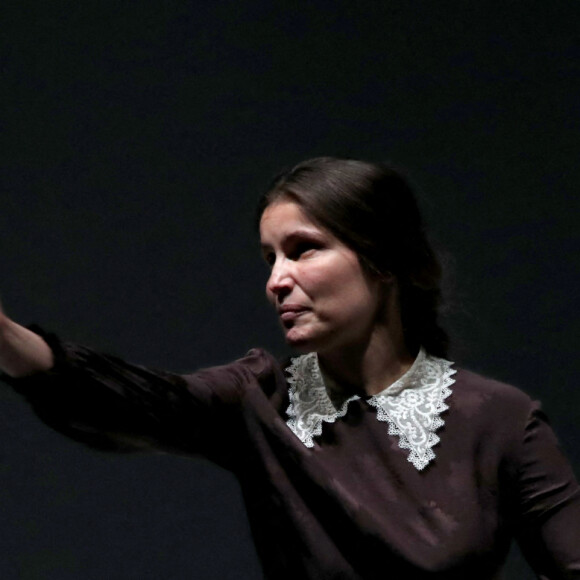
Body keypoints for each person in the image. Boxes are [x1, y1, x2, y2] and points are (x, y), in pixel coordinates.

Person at [1, 157, 579, 579]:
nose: (277, 280)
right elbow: (129, 401)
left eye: (303, 249)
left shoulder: (499, 419)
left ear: (382, 260)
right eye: (269, 258)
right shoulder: (261, 397)